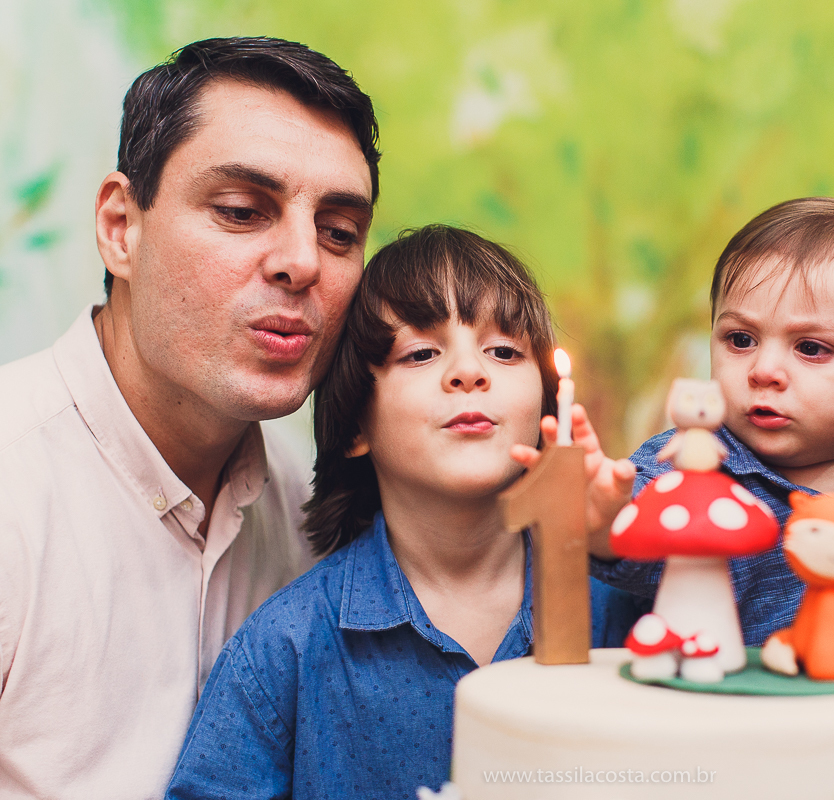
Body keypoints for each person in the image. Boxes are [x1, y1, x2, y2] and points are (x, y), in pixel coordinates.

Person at [0, 38, 379, 797]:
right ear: (120, 227)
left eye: (339, 232)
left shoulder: (309, 511)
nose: (303, 260)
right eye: (242, 211)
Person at [165, 225, 644, 799]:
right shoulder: (285, 649)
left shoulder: (628, 611)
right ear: (354, 426)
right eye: (421, 353)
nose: (470, 373)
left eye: (504, 351)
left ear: (546, 402)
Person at [516, 197, 834, 670]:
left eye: (812, 348)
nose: (764, 370)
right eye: (741, 340)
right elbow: (642, 529)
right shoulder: (693, 462)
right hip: (716, 718)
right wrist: (603, 526)